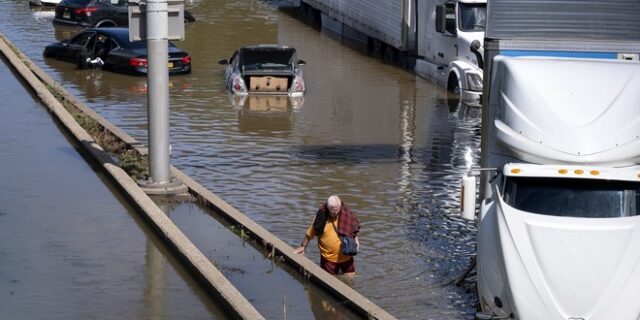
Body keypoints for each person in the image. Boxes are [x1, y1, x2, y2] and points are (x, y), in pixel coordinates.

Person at [293, 195, 360, 275]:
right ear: (328, 208)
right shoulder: (321, 217)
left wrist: (356, 242)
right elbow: (310, 233)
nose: (335, 212)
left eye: (337, 210)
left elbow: (353, 231)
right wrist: (303, 246)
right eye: (332, 210)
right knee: (330, 280)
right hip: (328, 259)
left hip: (347, 257)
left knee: (350, 280)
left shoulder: (347, 215)